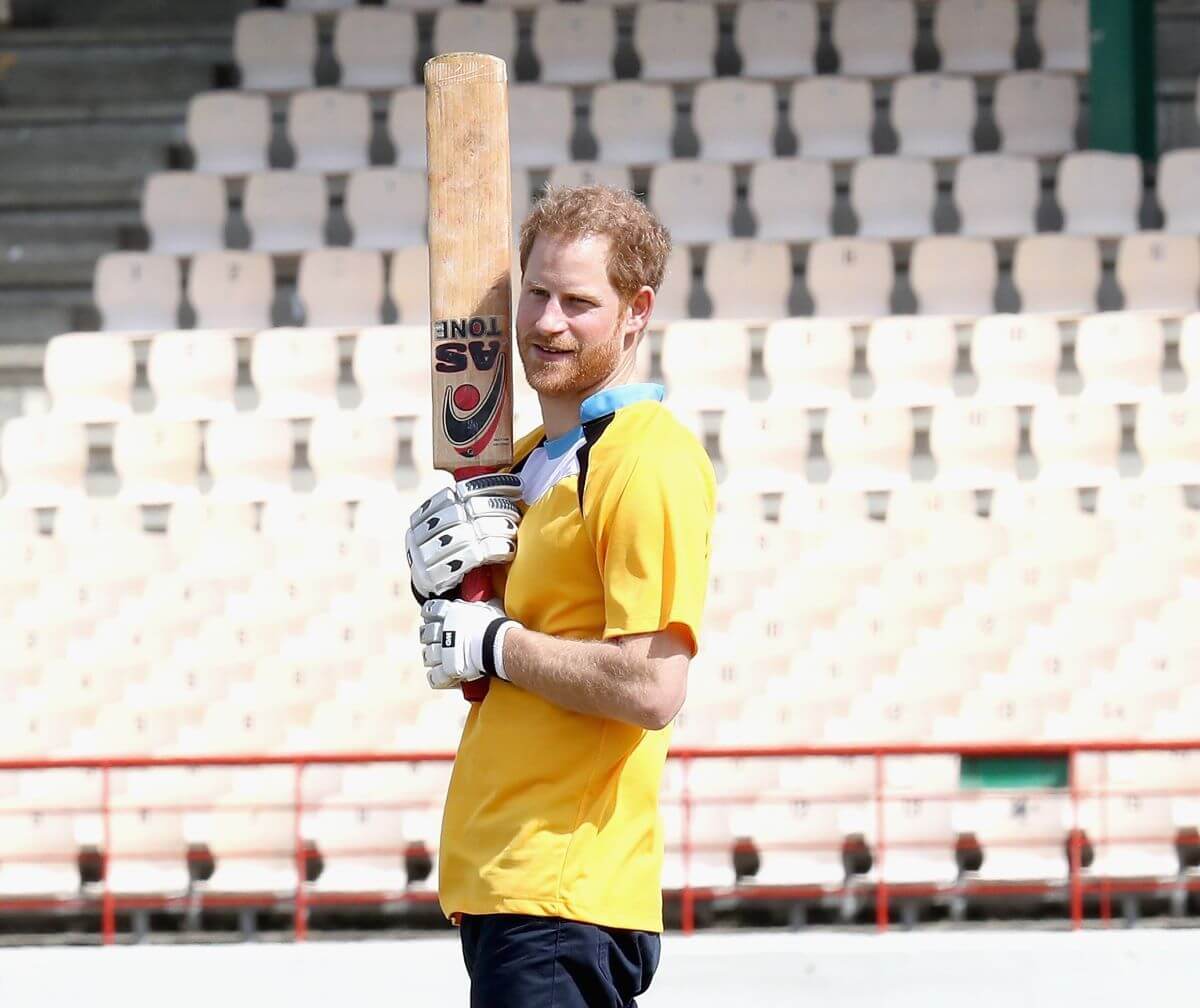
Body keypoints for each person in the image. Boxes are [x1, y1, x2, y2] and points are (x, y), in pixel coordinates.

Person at [407, 185, 716, 1007]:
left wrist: (493, 642)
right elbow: (502, 643)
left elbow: (653, 687)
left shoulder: (646, 458)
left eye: (580, 302)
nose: (546, 322)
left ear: (636, 311)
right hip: (506, 879)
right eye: (537, 291)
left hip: (563, 887)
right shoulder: (536, 456)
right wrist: (444, 598)